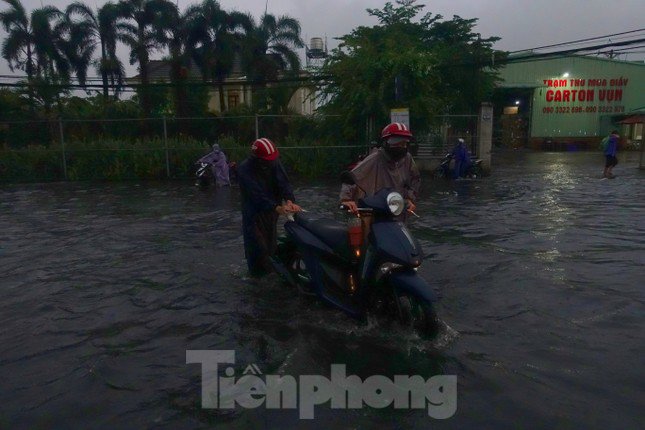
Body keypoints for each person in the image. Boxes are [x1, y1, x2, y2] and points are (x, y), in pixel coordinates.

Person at [238, 138, 301, 276]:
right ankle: (256, 277)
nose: (270, 162)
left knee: (271, 246)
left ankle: (272, 273)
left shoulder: (274, 162)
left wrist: (289, 200)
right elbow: (256, 195)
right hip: (254, 214)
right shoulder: (244, 169)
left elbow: (283, 182)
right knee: (257, 247)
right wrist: (277, 207)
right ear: (257, 159)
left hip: (272, 212)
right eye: (267, 160)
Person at [340, 122, 420, 216]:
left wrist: (410, 199)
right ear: (385, 143)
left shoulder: (407, 159)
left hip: (397, 208)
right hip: (375, 209)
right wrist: (346, 200)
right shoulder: (375, 158)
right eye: (396, 143)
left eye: (404, 144)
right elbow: (353, 177)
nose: (401, 147)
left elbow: (415, 179)